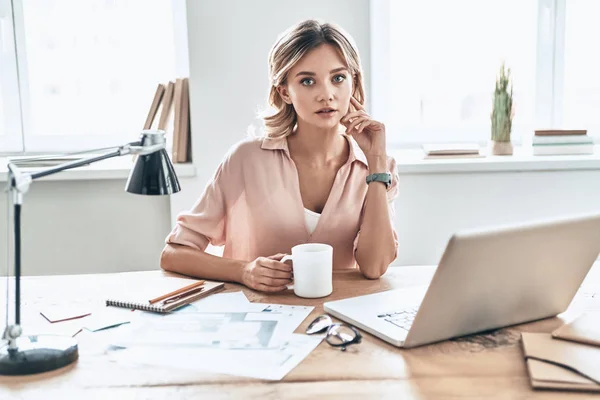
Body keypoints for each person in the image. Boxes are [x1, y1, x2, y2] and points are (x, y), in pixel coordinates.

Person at [160, 20, 399, 292]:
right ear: (285, 91)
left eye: (338, 78)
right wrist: (244, 271)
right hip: (257, 321)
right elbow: (173, 254)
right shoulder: (245, 160)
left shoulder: (378, 167)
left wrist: (376, 163)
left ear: (353, 82)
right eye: (308, 81)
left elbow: (375, 266)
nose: (326, 95)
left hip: (340, 320)